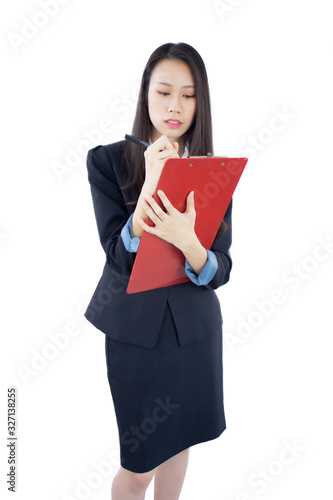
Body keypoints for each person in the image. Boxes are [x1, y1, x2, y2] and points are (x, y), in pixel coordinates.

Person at [84, 42, 233, 500]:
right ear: (145, 94)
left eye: (188, 95)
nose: (175, 105)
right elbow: (117, 254)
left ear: (200, 103)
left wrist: (190, 243)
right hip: (136, 338)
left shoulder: (213, 171)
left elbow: (221, 267)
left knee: (181, 442)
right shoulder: (107, 161)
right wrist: (149, 185)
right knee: (138, 466)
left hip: (195, 335)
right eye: (164, 91)